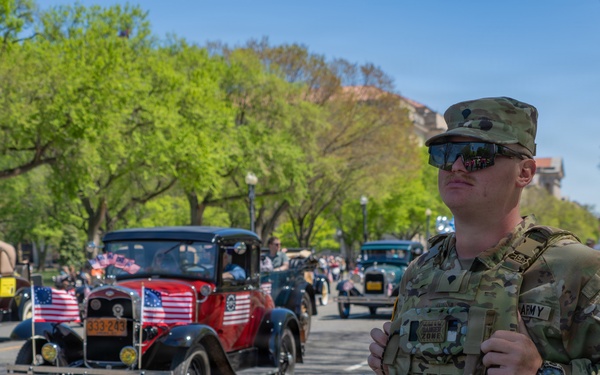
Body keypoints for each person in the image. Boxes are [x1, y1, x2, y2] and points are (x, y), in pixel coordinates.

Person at [368, 97, 600, 375]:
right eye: (445, 154)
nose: (456, 166)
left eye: (476, 154)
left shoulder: (578, 269)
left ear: (524, 172)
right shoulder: (420, 270)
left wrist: (543, 371)